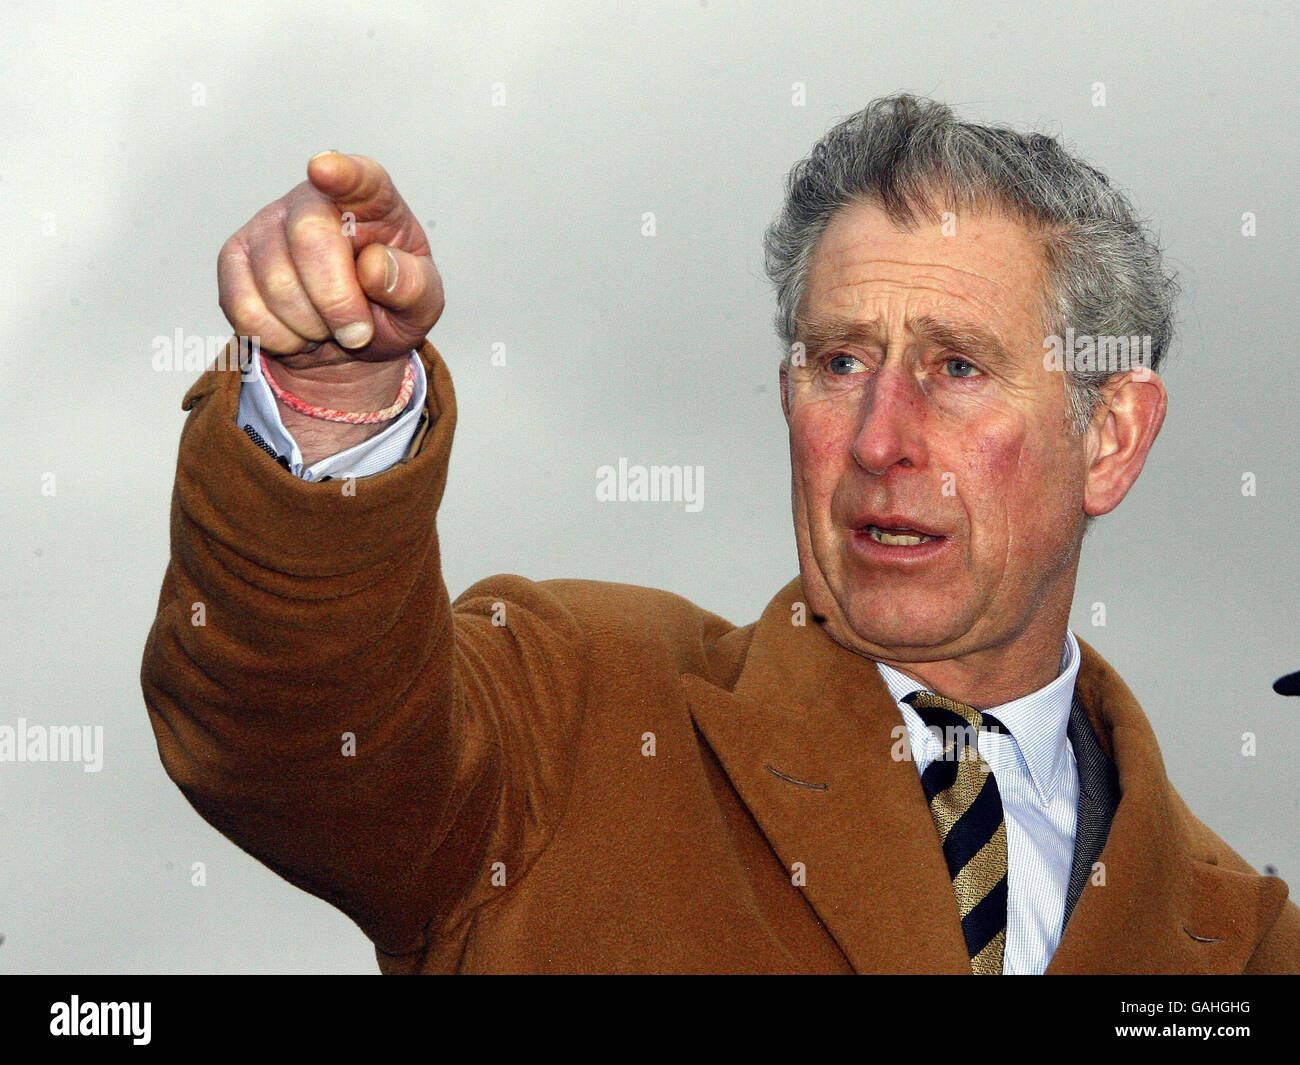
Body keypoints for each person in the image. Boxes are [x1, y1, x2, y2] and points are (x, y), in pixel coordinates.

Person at [141, 94, 1300, 973]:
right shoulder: (578, 708)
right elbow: (296, 741)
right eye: (839, 361)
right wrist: (333, 396)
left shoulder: (1246, 942)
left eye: (955, 367)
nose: (877, 438)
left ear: (1111, 437)